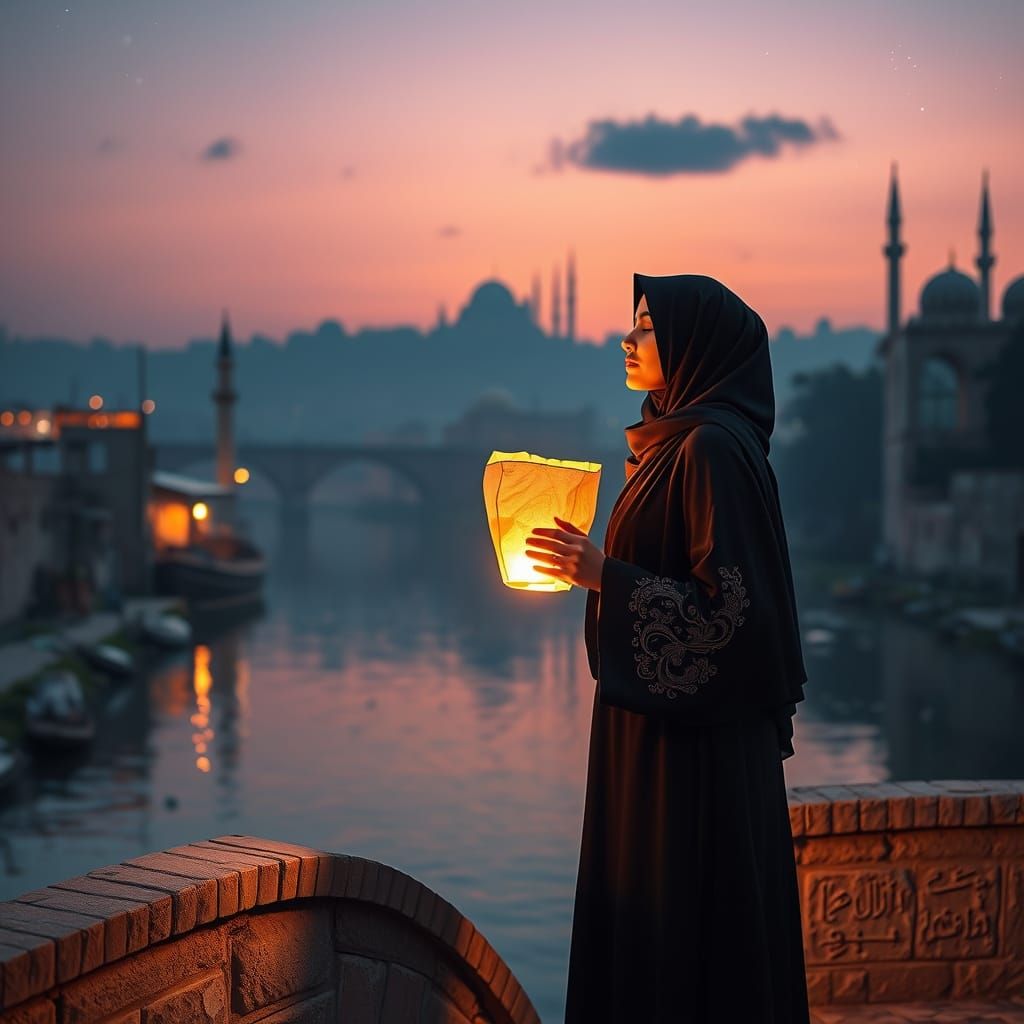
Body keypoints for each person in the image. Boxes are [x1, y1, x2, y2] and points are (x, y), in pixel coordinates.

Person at [526, 273, 810, 1023]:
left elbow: (731, 618)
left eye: (647, 327)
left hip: (689, 759)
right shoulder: (672, 445)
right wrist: (605, 579)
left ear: (695, 346)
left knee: (687, 927)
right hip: (651, 727)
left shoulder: (711, 448)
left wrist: (601, 574)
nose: (628, 340)